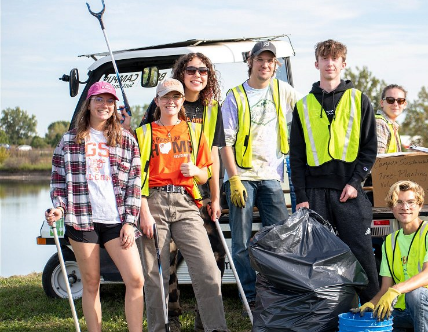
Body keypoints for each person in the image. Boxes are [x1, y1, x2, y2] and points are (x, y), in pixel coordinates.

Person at [45, 81, 144, 332]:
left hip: (117, 221)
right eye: (99, 99)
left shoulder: (126, 141)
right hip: (81, 219)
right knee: (91, 283)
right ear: (88, 104)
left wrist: (131, 222)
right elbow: (58, 177)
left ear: (115, 106)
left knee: (135, 279)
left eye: (109, 101)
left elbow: (134, 184)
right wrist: (59, 207)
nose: (104, 105)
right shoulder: (69, 140)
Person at [138, 53, 226, 331]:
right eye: (166, 97)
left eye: (176, 97)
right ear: (157, 101)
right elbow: (135, 174)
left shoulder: (198, 126)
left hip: (189, 201)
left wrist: (198, 175)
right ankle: (162, 326)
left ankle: (213, 327)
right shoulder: (145, 132)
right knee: (156, 273)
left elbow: (208, 167)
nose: (172, 101)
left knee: (209, 267)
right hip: (154, 202)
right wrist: (142, 212)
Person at [289, 39, 379, 303]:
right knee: (319, 258)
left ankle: (374, 308)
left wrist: (355, 181)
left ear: (343, 64)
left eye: (335, 59)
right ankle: (326, 315)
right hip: (314, 194)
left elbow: (369, 148)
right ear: (316, 63)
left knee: (361, 253)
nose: (330, 63)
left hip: (348, 191)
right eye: (324, 58)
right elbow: (296, 156)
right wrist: (302, 197)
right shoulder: (303, 105)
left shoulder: (359, 100)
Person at [220, 40, 300, 308]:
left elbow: (303, 119)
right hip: (242, 177)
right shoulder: (234, 96)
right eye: (260, 60)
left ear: (275, 66)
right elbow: (225, 143)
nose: (265, 65)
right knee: (241, 242)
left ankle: (279, 293)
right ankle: (250, 296)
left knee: (280, 239)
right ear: (250, 62)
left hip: (271, 177)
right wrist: (232, 179)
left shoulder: (284, 90)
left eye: (270, 61)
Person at [353, 180, 428, 332]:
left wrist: (395, 290)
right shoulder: (390, 241)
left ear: (420, 205)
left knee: (416, 295)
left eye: (411, 202)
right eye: (399, 202)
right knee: (370, 315)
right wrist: (372, 303)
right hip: (402, 311)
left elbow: (427, 276)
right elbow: (385, 289)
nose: (405, 207)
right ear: (391, 207)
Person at [377, 84, 407, 154]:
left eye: (400, 101)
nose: (396, 104)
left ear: (404, 104)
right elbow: (378, 160)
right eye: (390, 100)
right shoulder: (379, 124)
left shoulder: (393, 126)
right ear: (382, 103)